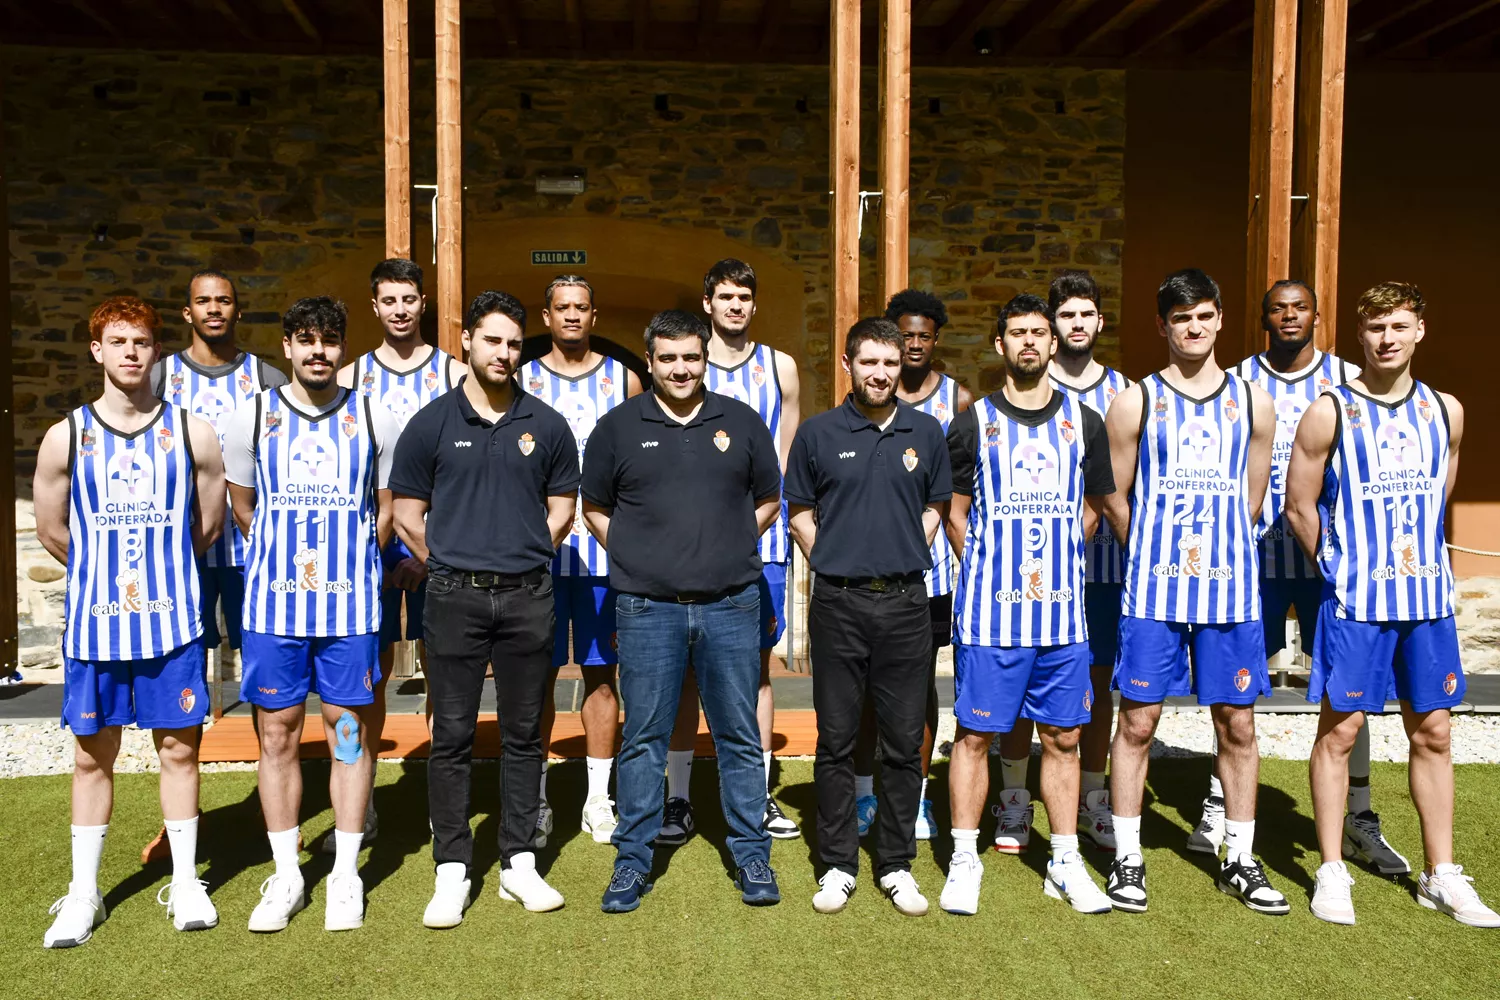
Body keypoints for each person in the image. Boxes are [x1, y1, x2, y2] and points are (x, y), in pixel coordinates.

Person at [1286, 282, 1499, 928]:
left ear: (1420, 331)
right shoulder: (1331, 411)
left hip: (1427, 603)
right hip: (1357, 603)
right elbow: (1300, 505)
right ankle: (1331, 868)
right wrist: (1343, 566)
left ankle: (1442, 873)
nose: (1387, 339)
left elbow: (1442, 492)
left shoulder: (1446, 411)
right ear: (1359, 334)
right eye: (1376, 327)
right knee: (1342, 730)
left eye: (1399, 326)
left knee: (1434, 730)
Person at [34, 296, 225, 947]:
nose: (130, 353)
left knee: (179, 749)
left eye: (141, 342)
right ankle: (84, 894)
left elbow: (207, 525)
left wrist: (161, 572)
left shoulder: (191, 432)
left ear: (155, 349)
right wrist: (105, 577)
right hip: (96, 627)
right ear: (97, 350)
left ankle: (186, 881)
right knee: (93, 757)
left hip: (171, 625)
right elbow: (54, 530)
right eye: (117, 342)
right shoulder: (67, 435)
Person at [581, 310, 783, 913]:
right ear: (650, 361)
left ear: (705, 359)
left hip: (731, 605)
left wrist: (725, 545)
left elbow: (771, 498)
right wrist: (642, 556)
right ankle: (631, 861)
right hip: (647, 610)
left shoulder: (741, 422)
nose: (680, 369)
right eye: (668, 358)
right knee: (642, 737)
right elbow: (593, 507)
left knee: (739, 736)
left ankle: (751, 854)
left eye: (691, 357)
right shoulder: (617, 428)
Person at [391, 290, 580, 926]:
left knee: (527, 733)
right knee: (452, 734)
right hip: (453, 598)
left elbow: (562, 510)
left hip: (528, 595)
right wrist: (446, 559)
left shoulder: (547, 425)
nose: (503, 353)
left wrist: (526, 553)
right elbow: (406, 511)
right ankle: (452, 868)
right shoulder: (432, 423)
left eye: (513, 343)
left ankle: (519, 863)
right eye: (491, 340)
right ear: (466, 341)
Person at [1102, 269, 1287, 915]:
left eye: (1205, 316)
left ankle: (1239, 855)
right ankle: (1127, 858)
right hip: (1154, 593)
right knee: (1139, 721)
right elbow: (1112, 491)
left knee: (1237, 721)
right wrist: (1150, 546)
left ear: (1220, 320)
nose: (1195, 328)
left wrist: (1223, 548)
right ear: (1163, 326)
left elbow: (1257, 495)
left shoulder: (1254, 402)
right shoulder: (1136, 402)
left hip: (1230, 595)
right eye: (1182, 319)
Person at [224, 297, 400, 933]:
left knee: (347, 734)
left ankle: (347, 874)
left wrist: (350, 564)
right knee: (277, 734)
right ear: (288, 346)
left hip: (350, 610)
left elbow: (385, 510)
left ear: (342, 346)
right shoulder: (254, 418)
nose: (318, 351)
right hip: (273, 609)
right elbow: (244, 508)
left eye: (329, 340)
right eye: (306, 340)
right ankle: (287, 872)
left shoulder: (373, 416)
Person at [938, 294, 1114, 917]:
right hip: (991, 613)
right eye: (1018, 333)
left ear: (1053, 342)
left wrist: (1063, 554)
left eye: (1040, 332)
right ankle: (964, 857)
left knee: (1064, 736)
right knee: (976, 735)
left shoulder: (1084, 421)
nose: (1031, 342)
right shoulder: (971, 423)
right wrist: (985, 563)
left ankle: (1064, 859)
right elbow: (954, 513)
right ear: (1000, 344)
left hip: (1062, 614)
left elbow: (1094, 505)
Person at [1221, 281, 1407, 873]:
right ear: (1265, 319)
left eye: (1299, 308)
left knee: (1346, 694)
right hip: (1255, 558)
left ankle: (1360, 816)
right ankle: (1218, 802)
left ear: (1317, 317)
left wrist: (1339, 553)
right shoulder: (1237, 381)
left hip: (1331, 565)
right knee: (1237, 688)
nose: (1289, 317)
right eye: (1278, 309)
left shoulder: (1350, 378)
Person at [786, 317, 950, 917]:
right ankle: (836, 865)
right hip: (839, 602)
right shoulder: (818, 434)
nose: (881, 373)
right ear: (848, 365)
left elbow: (936, 504)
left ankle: (896, 863)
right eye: (869, 362)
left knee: (905, 742)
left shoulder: (925, 432)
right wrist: (831, 558)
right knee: (835, 738)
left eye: (890, 363)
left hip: (906, 603)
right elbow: (799, 510)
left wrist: (909, 548)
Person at [140, 269, 287, 866]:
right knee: (184, 679)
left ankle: (268, 805)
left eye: (224, 300)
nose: (215, 309)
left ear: (237, 310)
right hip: (183, 558)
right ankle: (180, 819)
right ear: (187, 312)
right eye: (204, 301)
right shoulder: (160, 376)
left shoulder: (267, 377)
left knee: (266, 680)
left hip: (254, 555)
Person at [662, 259, 802, 845]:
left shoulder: (781, 368)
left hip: (760, 542)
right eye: (725, 295)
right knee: (682, 671)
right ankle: (675, 798)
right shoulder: (684, 361)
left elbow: (787, 463)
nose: (736, 305)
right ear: (707, 300)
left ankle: (758, 793)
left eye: (745, 295)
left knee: (754, 669)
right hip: (686, 545)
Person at [993, 271, 1128, 855]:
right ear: (1049, 331)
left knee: (1094, 686)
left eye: (1085, 314)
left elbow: (1121, 486)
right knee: (1022, 690)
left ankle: (1093, 799)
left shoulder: (1125, 392)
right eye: (1064, 317)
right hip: (1025, 575)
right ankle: (1015, 800)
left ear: (1100, 321)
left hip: (1100, 572)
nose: (1075, 326)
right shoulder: (1021, 388)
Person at [336, 258, 465, 845]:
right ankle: (364, 800)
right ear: (375, 306)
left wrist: (431, 546)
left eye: (410, 299)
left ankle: (444, 799)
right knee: (372, 676)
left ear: (423, 304)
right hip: (375, 548)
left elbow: (466, 466)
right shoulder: (349, 378)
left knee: (446, 672)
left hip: (446, 542)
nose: (400, 310)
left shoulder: (455, 373)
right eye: (389, 300)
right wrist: (387, 541)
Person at [521, 275, 642, 848]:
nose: (571, 316)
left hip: (601, 559)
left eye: (581, 308)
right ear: (546, 317)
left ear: (595, 315)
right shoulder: (521, 379)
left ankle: (598, 798)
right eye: (561, 308)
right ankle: (537, 799)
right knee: (535, 680)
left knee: (601, 676)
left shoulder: (624, 380)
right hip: (536, 561)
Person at [850, 290, 972, 843]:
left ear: (935, 339)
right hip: (870, 571)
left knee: (919, 686)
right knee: (867, 689)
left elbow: (964, 488)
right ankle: (865, 793)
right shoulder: (868, 394)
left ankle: (916, 797)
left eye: (924, 335)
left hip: (935, 574)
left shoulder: (959, 400)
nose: (915, 344)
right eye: (906, 336)